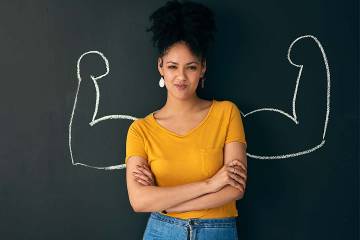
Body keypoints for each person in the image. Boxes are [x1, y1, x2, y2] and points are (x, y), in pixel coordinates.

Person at [124, 1, 247, 239]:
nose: (181, 76)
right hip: (162, 231)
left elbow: (235, 188)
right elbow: (139, 201)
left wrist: (164, 202)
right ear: (160, 66)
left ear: (203, 69)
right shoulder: (140, 130)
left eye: (191, 67)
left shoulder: (226, 113)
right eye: (172, 66)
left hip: (216, 232)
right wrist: (210, 184)